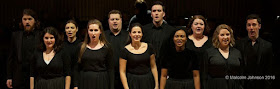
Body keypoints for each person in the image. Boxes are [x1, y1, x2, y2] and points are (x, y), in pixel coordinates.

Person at [235, 14, 273, 89]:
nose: (251, 28)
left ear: (259, 26)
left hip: (260, 85)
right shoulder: (239, 44)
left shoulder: (267, 46)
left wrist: (267, 85)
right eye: (249, 25)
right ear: (246, 27)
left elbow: (269, 69)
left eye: (254, 25)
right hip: (242, 85)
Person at [73, 19, 114, 89]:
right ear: (87, 32)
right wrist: (75, 86)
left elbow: (110, 69)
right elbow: (76, 68)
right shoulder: (81, 47)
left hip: (101, 81)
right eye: (91, 30)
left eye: (96, 30)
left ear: (100, 31)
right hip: (84, 80)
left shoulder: (107, 47)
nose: (93, 33)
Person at [6, 9, 41, 89]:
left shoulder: (40, 35)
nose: (27, 22)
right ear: (21, 21)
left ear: (35, 21)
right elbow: (11, 57)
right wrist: (9, 77)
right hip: (19, 75)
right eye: (24, 19)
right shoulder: (16, 35)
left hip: (36, 74)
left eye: (30, 19)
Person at [142, 1, 176, 82]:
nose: (156, 13)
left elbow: (173, 52)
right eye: (154, 11)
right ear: (151, 14)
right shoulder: (144, 30)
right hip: (147, 69)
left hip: (165, 69)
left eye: (159, 11)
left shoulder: (171, 30)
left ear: (163, 14)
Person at [119, 23, 159, 89]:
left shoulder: (149, 47)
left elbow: (153, 67)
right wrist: (126, 88)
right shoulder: (125, 50)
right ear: (130, 34)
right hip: (132, 81)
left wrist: (156, 85)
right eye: (134, 32)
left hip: (147, 81)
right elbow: (122, 71)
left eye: (139, 32)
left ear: (142, 34)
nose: (137, 34)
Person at [203, 24, 243, 89]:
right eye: (222, 35)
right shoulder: (209, 52)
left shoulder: (237, 53)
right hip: (214, 86)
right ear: (217, 36)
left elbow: (241, 73)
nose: (225, 37)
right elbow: (204, 75)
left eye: (227, 34)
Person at [185, 15, 212, 88]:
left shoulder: (211, 42)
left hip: (207, 78)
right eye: (196, 24)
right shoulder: (185, 41)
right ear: (191, 26)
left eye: (201, 24)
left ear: (205, 27)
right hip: (188, 79)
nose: (198, 26)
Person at [105, 10, 129, 89]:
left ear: (121, 20)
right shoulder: (103, 36)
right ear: (108, 21)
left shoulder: (128, 36)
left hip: (125, 75)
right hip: (106, 75)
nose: (115, 21)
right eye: (112, 19)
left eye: (117, 19)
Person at [63, 19, 82, 89]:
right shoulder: (62, 45)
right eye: (67, 28)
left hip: (78, 77)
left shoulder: (81, 45)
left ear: (76, 29)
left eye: (72, 28)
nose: (69, 30)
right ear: (65, 30)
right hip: (65, 78)